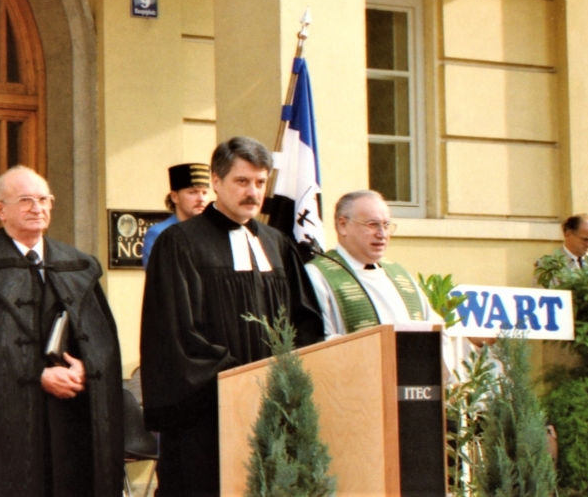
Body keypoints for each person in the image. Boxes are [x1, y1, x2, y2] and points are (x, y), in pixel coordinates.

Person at [140, 136, 325, 497]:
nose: (253, 192)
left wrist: (285, 376)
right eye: (242, 182)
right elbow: (177, 333)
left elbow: (306, 321)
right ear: (216, 181)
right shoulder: (181, 244)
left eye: (260, 182)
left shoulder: (276, 243)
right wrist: (241, 380)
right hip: (209, 415)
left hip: (275, 411)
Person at [0, 165, 124, 497]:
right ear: (1, 209)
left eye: (43, 199)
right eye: (25, 200)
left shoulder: (79, 265)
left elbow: (102, 339)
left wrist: (87, 368)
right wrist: (35, 374)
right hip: (5, 419)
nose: (37, 208)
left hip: (70, 416)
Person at [304, 190, 440, 338]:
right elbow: (319, 343)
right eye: (372, 224)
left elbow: (435, 330)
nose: (382, 234)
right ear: (342, 225)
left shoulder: (400, 275)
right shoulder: (316, 275)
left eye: (386, 225)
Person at [140, 162, 211, 269]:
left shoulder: (211, 232)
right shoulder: (159, 233)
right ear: (174, 197)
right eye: (192, 192)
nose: (201, 199)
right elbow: (159, 278)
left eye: (204, 193)